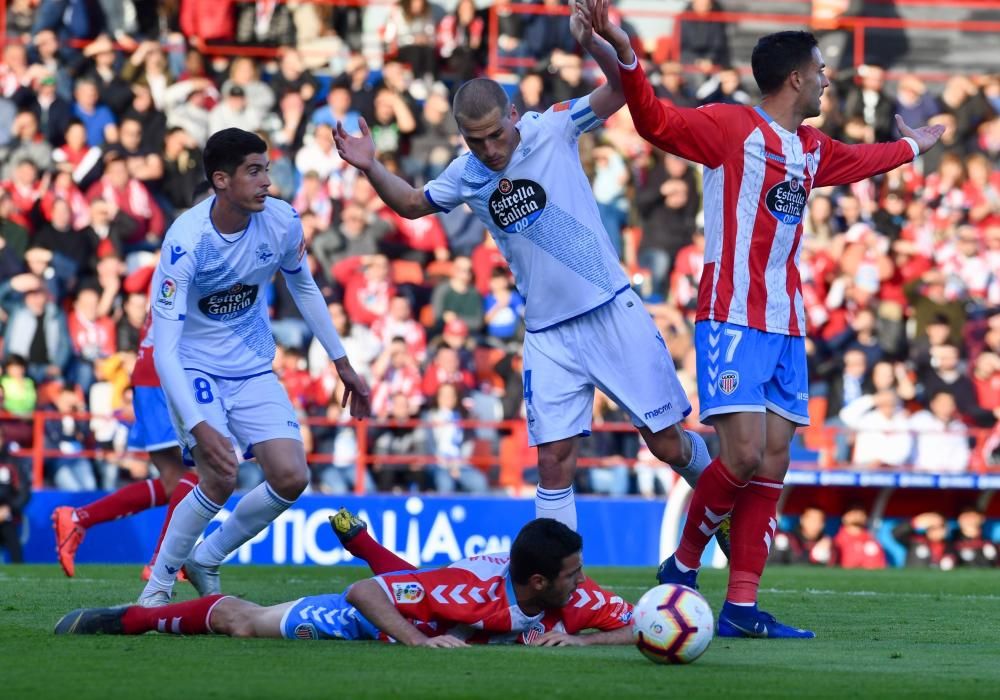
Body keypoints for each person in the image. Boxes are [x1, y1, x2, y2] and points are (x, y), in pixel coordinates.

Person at [589, 1, 946, 638]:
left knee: (774, 463)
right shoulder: (730, 128)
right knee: (743, 453)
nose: (829, 79)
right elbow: (654, 121)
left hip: (786, 323)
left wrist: (913, 145)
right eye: (821, 69)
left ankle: (742, 609)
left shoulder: (811, 148)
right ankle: (683, 564)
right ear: (795, 80)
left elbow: (863, 160)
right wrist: (624, 51)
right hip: (730, 314)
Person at [333, 0, 711, 531]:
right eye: (475, 140)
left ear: (512, 115)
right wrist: (371, 165)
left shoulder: (553, 127)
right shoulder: (466, 173)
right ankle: (559, 591)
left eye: (496, 133)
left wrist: (596, 44)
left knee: (666, 444)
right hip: (548, 334)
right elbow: (413, 204)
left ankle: (727, 511)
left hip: (609, 309)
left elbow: (623, 91)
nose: (489, 149)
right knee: (553, 463)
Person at [137, 128, 370, 607]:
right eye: (254, 171)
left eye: (267, 168)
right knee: (219, 476)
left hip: (252, 367)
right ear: (221, 180)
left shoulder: (282, 221)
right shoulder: (185, 242)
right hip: (194, 367)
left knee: (291, 476)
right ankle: (157, 587)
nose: (267, 180)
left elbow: (303, 288)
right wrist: (200, 426)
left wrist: (341, 361)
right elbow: (164, 349)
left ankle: (207, 558)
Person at [56, 516, 634, 647]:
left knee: (406, 576)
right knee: (246, 624)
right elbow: (368, 592)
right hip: (381, 623)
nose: (584, 582)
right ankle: (133, 618)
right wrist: (420, 642)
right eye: (573, 573)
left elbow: (639, 629)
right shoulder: (468, 592)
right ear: (537, 580)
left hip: (416, 601)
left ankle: (360, 540)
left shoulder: (578, 599)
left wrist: (584, 640)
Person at [52, 304, 197, 580]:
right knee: (201, 474)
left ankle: (78, 518)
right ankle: (163, 562)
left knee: (174, 480)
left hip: (156, 372)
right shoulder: (202, 264)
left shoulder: (175, 267)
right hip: (168, 374)